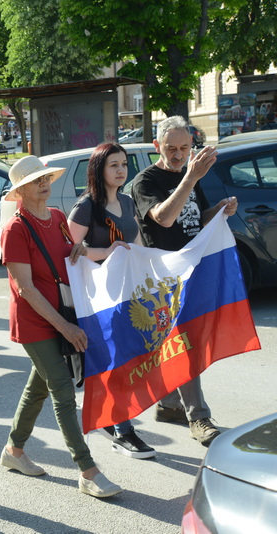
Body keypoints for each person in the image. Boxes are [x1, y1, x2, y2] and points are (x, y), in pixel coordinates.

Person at [0, 155, 122, 499]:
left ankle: (13, 451)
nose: (44, 184)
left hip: (63, 315)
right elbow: (26, 289)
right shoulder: (15, 229)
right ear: (21, 190)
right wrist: (66, 328)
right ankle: (87, 470)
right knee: (63, 392)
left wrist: (107, 251)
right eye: (35, 181)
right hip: (36, 322)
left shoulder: (55, 217)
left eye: (45, 178)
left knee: (37, 389)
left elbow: (71, 254)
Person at [130, 116, 237, 447]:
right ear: (157, 146)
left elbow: (195, 218)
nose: (178, 155)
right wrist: (191, 176)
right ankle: (198, 416)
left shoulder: (189, 176)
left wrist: (220, 209)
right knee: (185, 343)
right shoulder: (145, 181)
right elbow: (164, 218)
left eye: (185, 148)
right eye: (171, 148)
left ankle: (169, 404)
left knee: (179, 342)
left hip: (192, 271)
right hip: (162, 278)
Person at [67, 143, 155, 459]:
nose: (120, 171)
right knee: (117, 361)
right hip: (99, 299)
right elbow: (68, 251)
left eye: (124, 164)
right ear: (98, 169)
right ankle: (123, 430)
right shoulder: (86, 206)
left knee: (129, 359)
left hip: (128, 294)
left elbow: (137, 245)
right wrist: (106, 252)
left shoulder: (128, 201)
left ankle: (112, 420)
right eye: (113, 165)